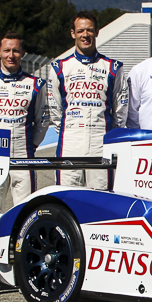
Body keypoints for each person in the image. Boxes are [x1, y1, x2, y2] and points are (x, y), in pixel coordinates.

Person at [0, 32, 49, 295]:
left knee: (24, 214)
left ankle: (21, 271)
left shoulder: (35, 84)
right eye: (6, 51)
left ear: (22, 53)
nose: (11, 55)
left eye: (16, 51)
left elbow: (42, 120)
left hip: (24, 153)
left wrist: (32, 145)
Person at [48, 12, 127, 189]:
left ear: (97, 32)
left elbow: (120, 108)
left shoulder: (113, 67)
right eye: (81, 30)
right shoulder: (59, 67)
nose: (85, 35)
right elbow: (54, 109)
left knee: (101, 198)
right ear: (73, 33)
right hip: (70, 140)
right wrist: (68, 129)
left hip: (101, 141)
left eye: (90, 30)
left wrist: (111, 136)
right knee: (65, 195)